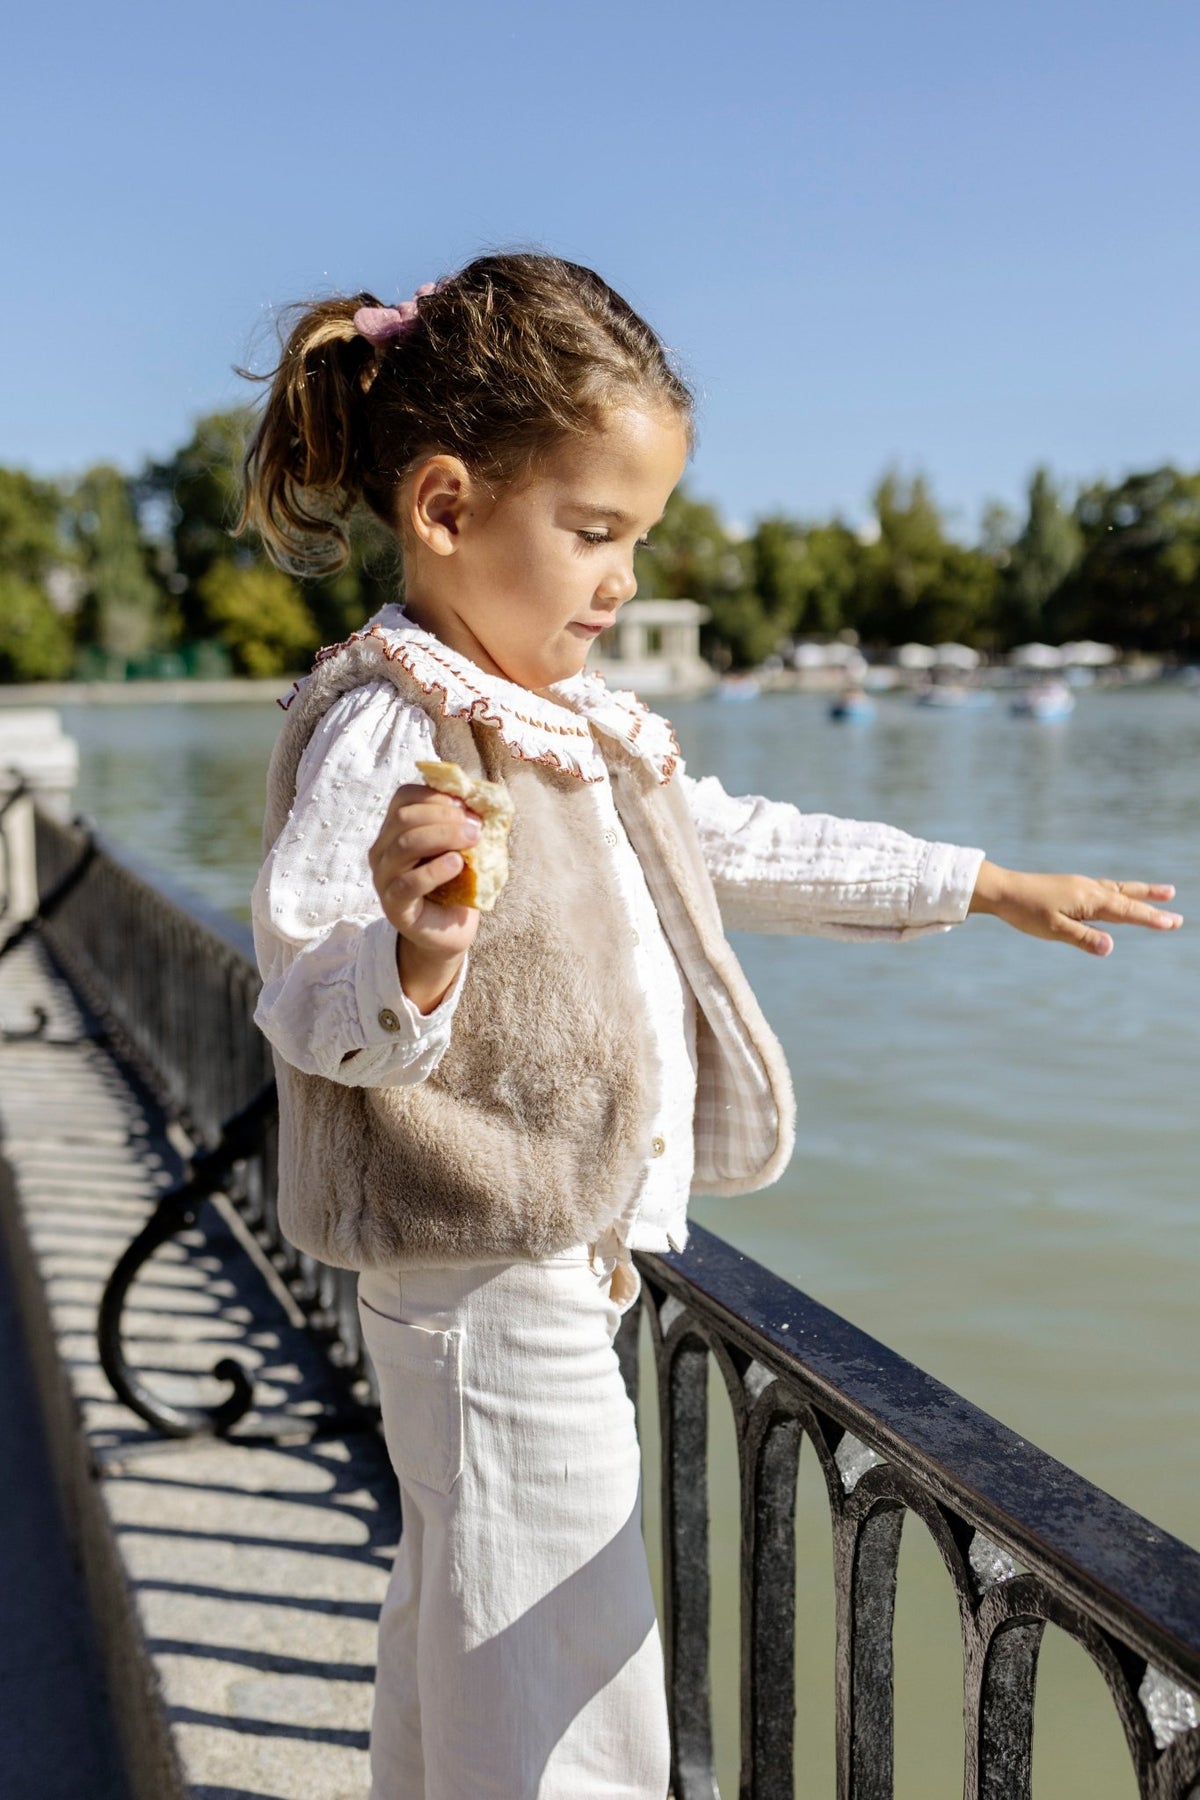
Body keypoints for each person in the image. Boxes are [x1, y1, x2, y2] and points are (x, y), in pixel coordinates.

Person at [245, 252, 1181, 1800]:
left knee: (468, 1648)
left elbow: (733, 842)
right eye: (595, 533)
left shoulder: (562, 719)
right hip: (484, 1276)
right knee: (566, 1695)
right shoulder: (394, 719)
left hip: (525, 1265)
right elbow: (302, 985)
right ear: (446, 509)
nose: (621, 582)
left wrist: (979, 878)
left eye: (640, 540)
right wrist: (411, 960)